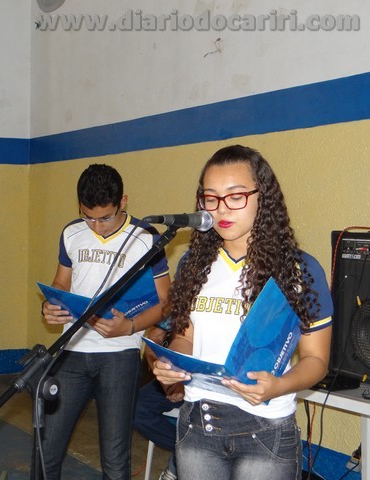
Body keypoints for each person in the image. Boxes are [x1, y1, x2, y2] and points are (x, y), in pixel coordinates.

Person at [153, 145, 333, 480]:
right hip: (198, 424)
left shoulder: (298, 270)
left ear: (263, 198)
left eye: (235, 196)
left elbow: (316, 359)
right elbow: (185, 336)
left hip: (265, 431)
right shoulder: (193, 263)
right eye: (210, 198)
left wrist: (279, 385)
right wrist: (173, 363)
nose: (221, 208)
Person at [40, 163, 171, 479]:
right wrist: (50, 305)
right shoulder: (72, 232)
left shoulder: (146, 237)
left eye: (106, 218)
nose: (97, 226)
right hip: (72, 350)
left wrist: (130, 327)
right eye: (89, 217)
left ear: (123, 202)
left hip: (119, 356)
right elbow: (61, 282)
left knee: (114, 460)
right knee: (46, 450)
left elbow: (166, 303)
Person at [133, 325, 183, 480]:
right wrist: (166, 381)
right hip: (176, 375)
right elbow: (153, 342)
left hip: (214, 384)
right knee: (136, 409)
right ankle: (183, 453)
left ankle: (182, 460)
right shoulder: (177, 309)